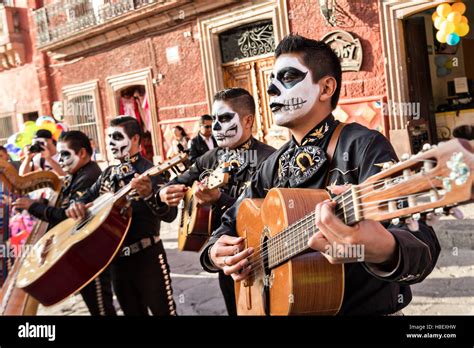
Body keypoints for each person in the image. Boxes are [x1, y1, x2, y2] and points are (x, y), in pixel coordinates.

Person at [200, 35, 441, 315]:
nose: (271, 89)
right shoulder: (274, 164)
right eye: (272, 80)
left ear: (326, 87)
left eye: (288, 77)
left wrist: (385, 247)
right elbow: (232, 221)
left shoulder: (363, 146)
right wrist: (215, 251)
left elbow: (422, 242)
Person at [158, 88, 275, 315]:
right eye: (214, 120)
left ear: (248, 120)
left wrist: (220, 199)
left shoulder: (268, 159)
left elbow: (267, 216)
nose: (217, 128)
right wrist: (163, 193)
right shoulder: (211, 158)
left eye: (224, 119)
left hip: (260, 260)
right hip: (222, 261)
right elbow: (174, 182)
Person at [65, 116, 177, 316]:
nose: (111, 143)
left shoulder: (152, 172)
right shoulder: (107, 173)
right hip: (116, 261)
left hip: (148, 258)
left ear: (135, 139)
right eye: (109, 137)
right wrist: (76, 205)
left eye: (117, 137)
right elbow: (86, 196)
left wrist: (150, 195)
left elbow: (170, 215)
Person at [13, 130, 116, 316]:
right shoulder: (77, 173)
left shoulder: (89, 176)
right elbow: (64, 203)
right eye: (59, 154)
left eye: (65, 154)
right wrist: (42, 203)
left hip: (90, 253)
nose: (60, 159)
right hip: (80, 252)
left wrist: (32, 207)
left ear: (82, 153)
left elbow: (65, 216)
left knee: (102, 309)